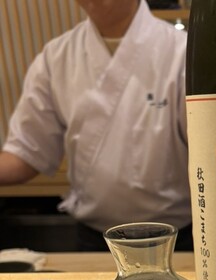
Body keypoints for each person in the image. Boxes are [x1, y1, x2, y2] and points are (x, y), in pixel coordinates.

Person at [0, 0, 192, 251]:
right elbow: (24, 154)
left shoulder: (184, 52)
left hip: (177, 239)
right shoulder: (56, 57)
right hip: (93, 239)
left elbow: (209, 153)